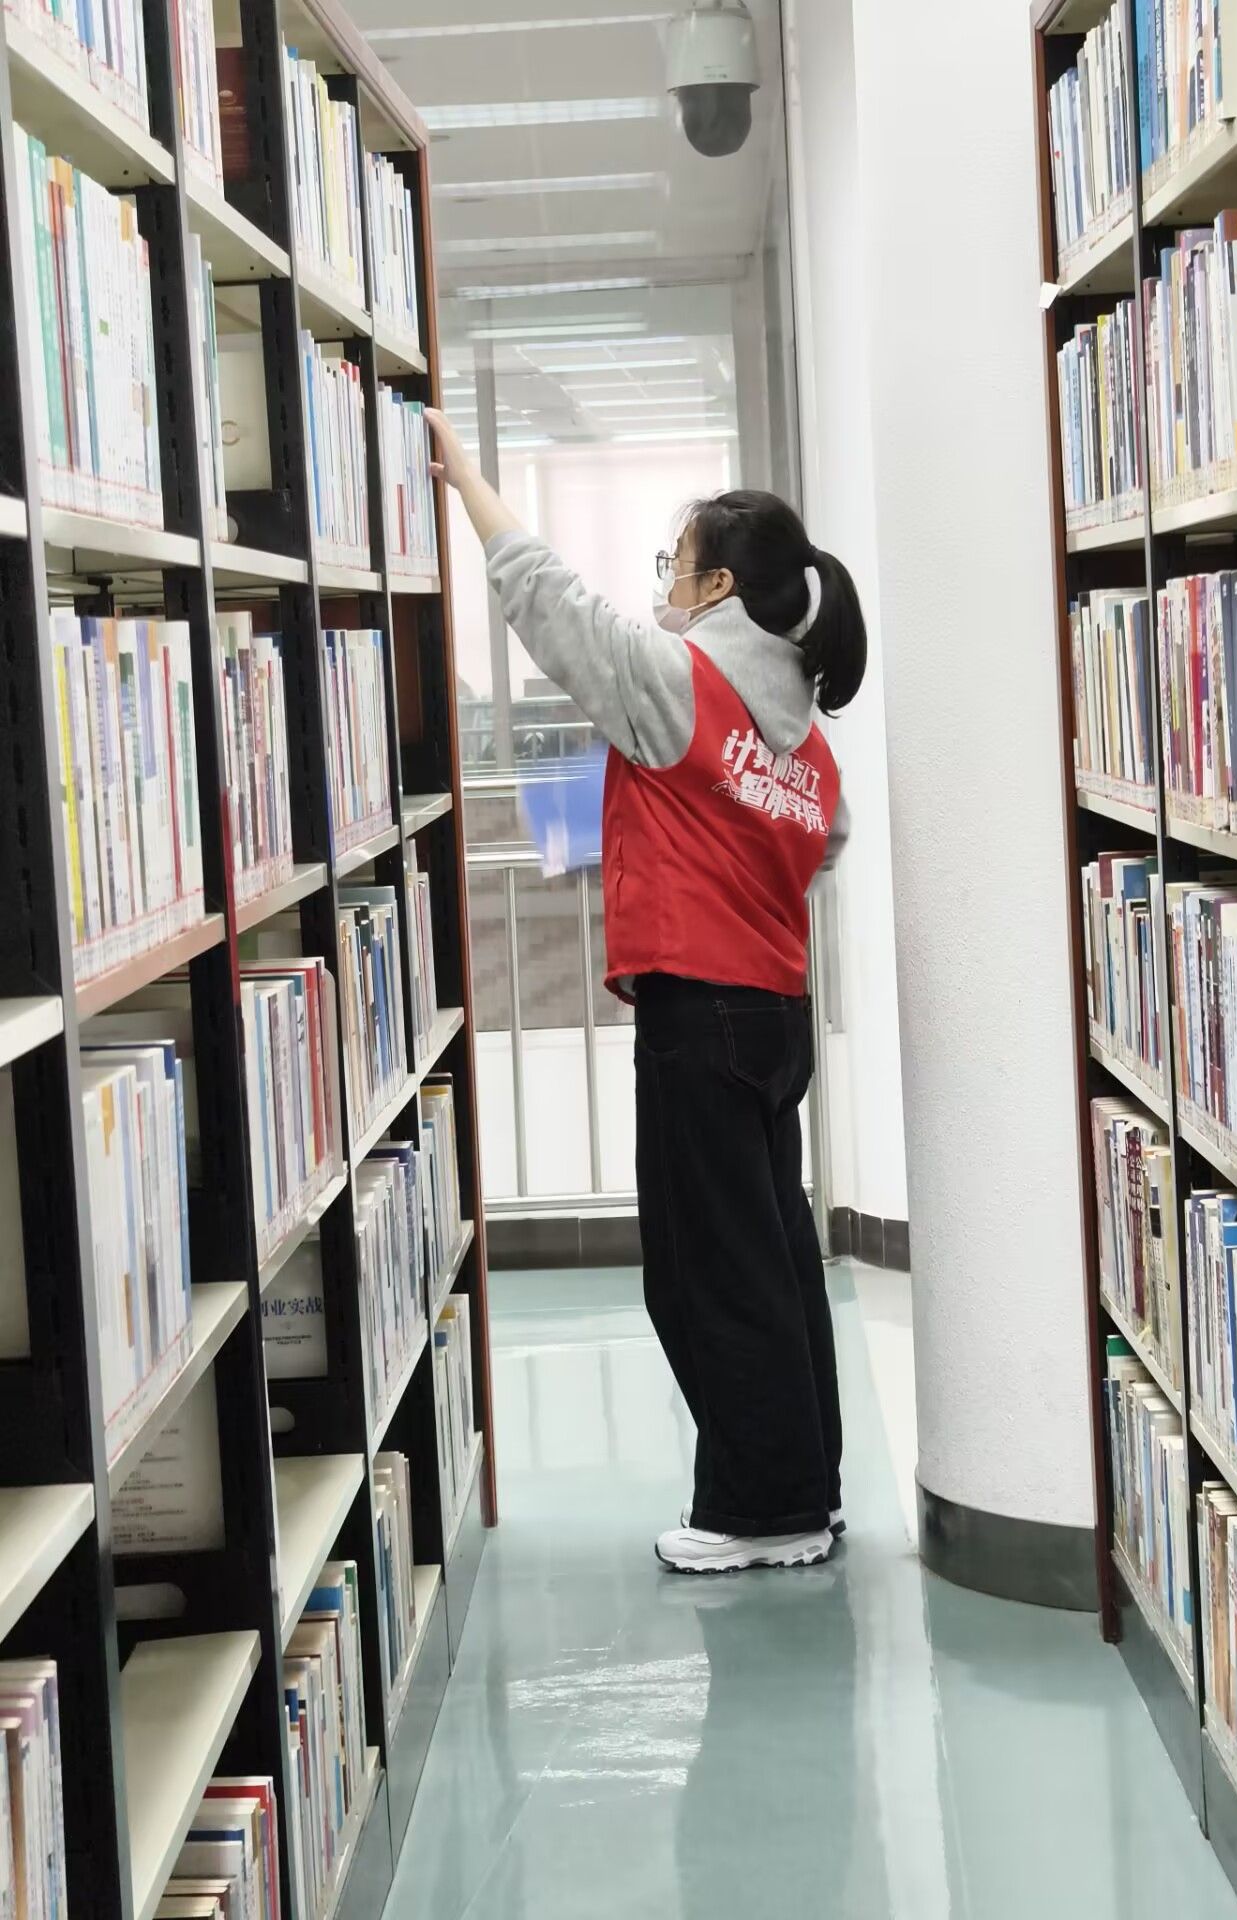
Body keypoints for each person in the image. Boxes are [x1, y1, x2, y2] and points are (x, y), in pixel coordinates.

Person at [426, 410, 867, 1574]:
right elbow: (823, 845)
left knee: (706, 1274)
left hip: (698, 1016)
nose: (663, 581)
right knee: (775, 1262)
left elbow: (548, 600)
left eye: (676, 563)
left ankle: (759, 1513)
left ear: (717, 586)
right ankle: (804, 1492)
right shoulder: (806, 741)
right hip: (773, 1019)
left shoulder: (677, 682)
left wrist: (467, 480)